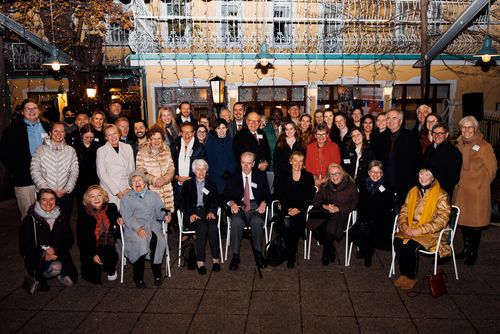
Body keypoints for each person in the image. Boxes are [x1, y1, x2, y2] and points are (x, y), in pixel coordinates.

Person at [393, 168, 451, 291]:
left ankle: (411, 276)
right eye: (421, 174)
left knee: (410, 246)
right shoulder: (413, 191)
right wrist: (404, 225)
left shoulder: (441, 194)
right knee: (397, 242)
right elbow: (404, 210)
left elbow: (442, 220)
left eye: (427, 175)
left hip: (431, 232)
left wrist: (419, 230)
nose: (423, 177)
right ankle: (404, 274)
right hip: (410, 228)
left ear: (433, 177)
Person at [454, 116, 497, 266]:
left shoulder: (484, 146)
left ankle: (473, 252)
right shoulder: (458, 144)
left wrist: (481, 184)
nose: (466, 130)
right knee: (464, 222)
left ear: (476, 128)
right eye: (463, 127)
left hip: (477, 193)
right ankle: (466, 249)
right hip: (462, 191)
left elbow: (492, 170)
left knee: (475, 225)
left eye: (470, 127)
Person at [19, 189, 78, 291]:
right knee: (56, 267)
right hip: (38, 257)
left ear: (56, 200)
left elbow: (69, 239)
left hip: (58, 253)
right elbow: (24, 248)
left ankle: (61, 271)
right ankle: (41, 273)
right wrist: (43, 254)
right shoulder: (30, 220)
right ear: (38, 201)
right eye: (44, 200)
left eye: (52, 199)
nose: (48, 203)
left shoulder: (60, 216)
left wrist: (55, 249)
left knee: (70, 282)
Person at [0, 98, 50, 219]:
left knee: (48, 213)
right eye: (28, 108)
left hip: (47, 177)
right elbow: (4, 152)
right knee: (29, 215)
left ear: (39, 110)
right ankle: (31, 238)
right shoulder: (13, 129)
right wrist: (17, 168)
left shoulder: (48, 127)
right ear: (22, 112)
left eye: (34, 108)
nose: (32, 111)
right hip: (24, 178)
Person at [121, 170, 170, 288]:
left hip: (152, 225)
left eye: (140, 180)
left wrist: (166, 216)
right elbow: (127, 217)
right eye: (134, 181)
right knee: (140, 242)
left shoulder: (153, 195)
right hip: (134, 228)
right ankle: (138, 277)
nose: (137, 183)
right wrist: (138, 228)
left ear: (145, 182)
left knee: (157, 241)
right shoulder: (126, 198)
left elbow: (160, 210)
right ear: (131, 184)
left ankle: (157, 273)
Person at [224, 152, 271, 271]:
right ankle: (235, 256)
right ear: (240, 163)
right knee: (236, 222)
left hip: (255, 206)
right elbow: (224, 196)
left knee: (257, 222)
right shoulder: (233, 177)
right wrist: (232, 203)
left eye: (248, 163)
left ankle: (258, 254)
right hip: (239, 207)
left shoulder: (260, 176)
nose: (245, 166)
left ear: (253, 164)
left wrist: (264, 202)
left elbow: (268, 195)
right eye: (243, 163)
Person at [306, 163, 359, 265]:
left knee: (329, 228)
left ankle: (326, 252)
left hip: (342, 214)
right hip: (325, 213)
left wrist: (338, 208)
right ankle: (330, 248)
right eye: (331, 174)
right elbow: (316, 200)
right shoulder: (325, 185)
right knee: (316, 226)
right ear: (328, 176)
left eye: (336, 174)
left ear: (342, 174)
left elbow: (354, 204)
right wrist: (325, 206)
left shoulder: (351, 186)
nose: (334, 177)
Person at [30, 122, 79, 225]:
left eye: (62, 131)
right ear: (50, 133)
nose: (59, 134)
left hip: (65, 194)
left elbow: (74, 171)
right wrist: (48, 189)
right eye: (55, 131)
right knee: (45, 224)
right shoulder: (40, 150)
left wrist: (67, 188)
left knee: (64, 223)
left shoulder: (71, 150)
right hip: (45, 194)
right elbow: (35, 171)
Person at [274, 151, 316, 268]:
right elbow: (279, 193)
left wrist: (299, 209)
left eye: (300, 161)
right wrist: (288, 209)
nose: (297, 163)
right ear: (290, 161)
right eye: (295, 160)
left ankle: (290, 255)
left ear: (303, 163)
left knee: (294, 223)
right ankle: (289, 253)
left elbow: (309, 197)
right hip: (286, 208)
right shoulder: (283, 175)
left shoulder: (308, 176)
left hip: (301, 210)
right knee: (287, 222)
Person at [180, 159, 221, 274]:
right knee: (202, 228)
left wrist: (212, 211)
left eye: (203, 169)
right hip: (193, 214)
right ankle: (200, 262)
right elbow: (183, 203)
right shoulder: (187, 184)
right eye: (198, 169)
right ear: (194, 170)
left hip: (207, 212)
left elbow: (215, 201)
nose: (201, 171)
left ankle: (216, 260)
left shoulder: (211, 184)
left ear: (206, 171)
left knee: (213, 227)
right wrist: (190, 214)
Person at [351, 160, 394, 266]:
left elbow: (389, 206)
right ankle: (366, 249)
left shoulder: (388, 187)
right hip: (364, 217)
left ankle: (367, 252)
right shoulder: (362, 185)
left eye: (378, 172)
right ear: (368, 172)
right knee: (354, 233)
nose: (375, 174)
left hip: (381, 219)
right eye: (372, 171)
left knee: (369, 232)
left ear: (382, 173)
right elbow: (359, 204)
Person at [77, 185, 122, 284]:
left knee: (111, 256)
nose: (96, 198)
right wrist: (93, 254)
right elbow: (82, 239)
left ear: (104, 197)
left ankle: (110, 266)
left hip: (108, 242)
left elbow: (116, 216)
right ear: (88, 199)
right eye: (92, 196)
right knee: (92, 272)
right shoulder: (84, 214)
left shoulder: (111, 207)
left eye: (99, 195)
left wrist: (118, 218)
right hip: (92, 244)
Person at [378, 108, 421, 209]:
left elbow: (417, 163)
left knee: (403, 215)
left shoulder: (411, 138)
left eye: (394, 118)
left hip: (405, 184)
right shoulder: (381, 138)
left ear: (400, 121)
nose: (391, 121)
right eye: (388, 118)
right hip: (385, 183)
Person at [136, 125, 175, 213]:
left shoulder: (167, 150)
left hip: (167, 192)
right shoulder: (142, 152)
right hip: (151, 191)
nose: (156, 141)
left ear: (162, 140)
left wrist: (164, 179)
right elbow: (140, 172)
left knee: (167, 220)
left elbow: (171, 168)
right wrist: (154, 180)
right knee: (154, 221)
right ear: (149, 140)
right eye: (154, 138)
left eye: (159, 138)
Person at [96, 124, 135, 210]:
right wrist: (117, 192)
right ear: (106, 137)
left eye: (115, 133)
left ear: (119, 134)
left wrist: (129, 187)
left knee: (127, 215)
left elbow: (132, 170)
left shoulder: (128, 147)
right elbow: (102, 173)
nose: (113, 137)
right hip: (110, 189)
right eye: (109, 135)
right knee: (112, 216)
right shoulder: (101, 151)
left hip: (126, 188)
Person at [170, 122, 207, 207]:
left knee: (191, 210)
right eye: (184, 132)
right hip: (177, 184)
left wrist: (191, 178)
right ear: (180, 133)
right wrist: (176, 176)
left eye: (189, 132)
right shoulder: (174, 145)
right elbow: (171, 164)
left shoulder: (200, 147)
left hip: (193, 184)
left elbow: (204, 167)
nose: (187, 135)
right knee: (178, 209)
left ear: (194, 133)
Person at [422, 123, 462, 197]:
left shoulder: (453, 151)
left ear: (446, 135)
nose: (437, 135)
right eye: (434, 133)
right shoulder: (429, 149)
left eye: (440, 133)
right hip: (426, 190)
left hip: (442, 192)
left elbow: (454, 178)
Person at [205, 119, 236, 196]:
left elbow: (234, 159)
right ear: (215, 129)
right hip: (216, 176)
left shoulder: (232, 141)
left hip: (230, 176)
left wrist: (230, 171)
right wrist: (221, 173)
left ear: (227, 129)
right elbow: (210, 161)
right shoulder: (210, 142)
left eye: (223, 128)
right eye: (219, 128)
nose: (221, 130)